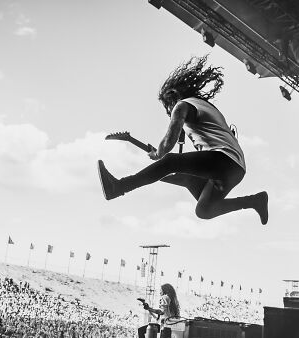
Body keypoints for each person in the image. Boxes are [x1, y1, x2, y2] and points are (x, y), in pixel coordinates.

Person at [97, 55, 269, 224]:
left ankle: (118, 187)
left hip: (225, 160)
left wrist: (159, 154)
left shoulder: (182, 106)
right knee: (204, 209)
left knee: (170, 161)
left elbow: (167, 145)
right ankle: (254, 201)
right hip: (235, 169)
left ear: (172, 98)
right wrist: (157, 170)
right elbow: (189, 163)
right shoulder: (204, 106)